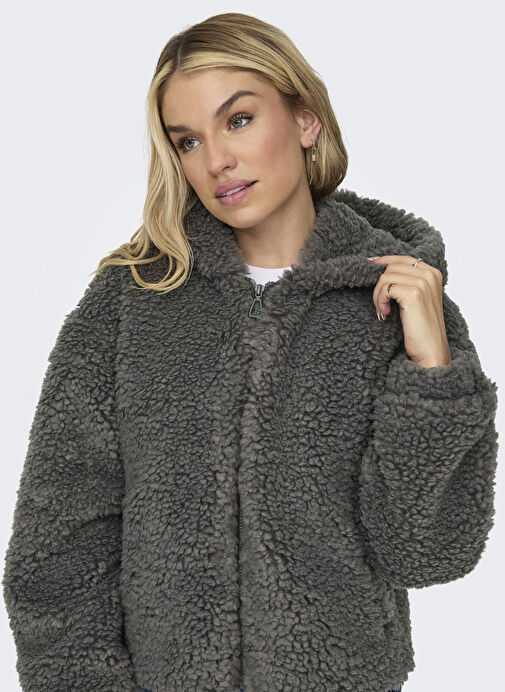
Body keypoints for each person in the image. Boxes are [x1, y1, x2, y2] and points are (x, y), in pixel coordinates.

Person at [2, 11, 498, 692]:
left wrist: (432, 376)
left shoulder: (400, 301)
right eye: (187, 140)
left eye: (237, 120)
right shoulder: (131, 300)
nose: (215, 161)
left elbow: (428, 553)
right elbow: (59, 543)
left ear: (306, 120)